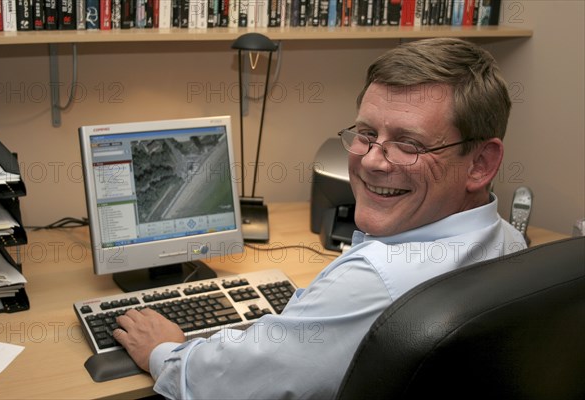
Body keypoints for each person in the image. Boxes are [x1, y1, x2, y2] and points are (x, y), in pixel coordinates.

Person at [113, 38, 526, 399]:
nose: (371, 160)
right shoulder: (509, 241)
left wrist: (164, 351)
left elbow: (221, 384)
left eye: (408, 143)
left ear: (480, 164)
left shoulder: (374, 282)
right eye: (365, 133)